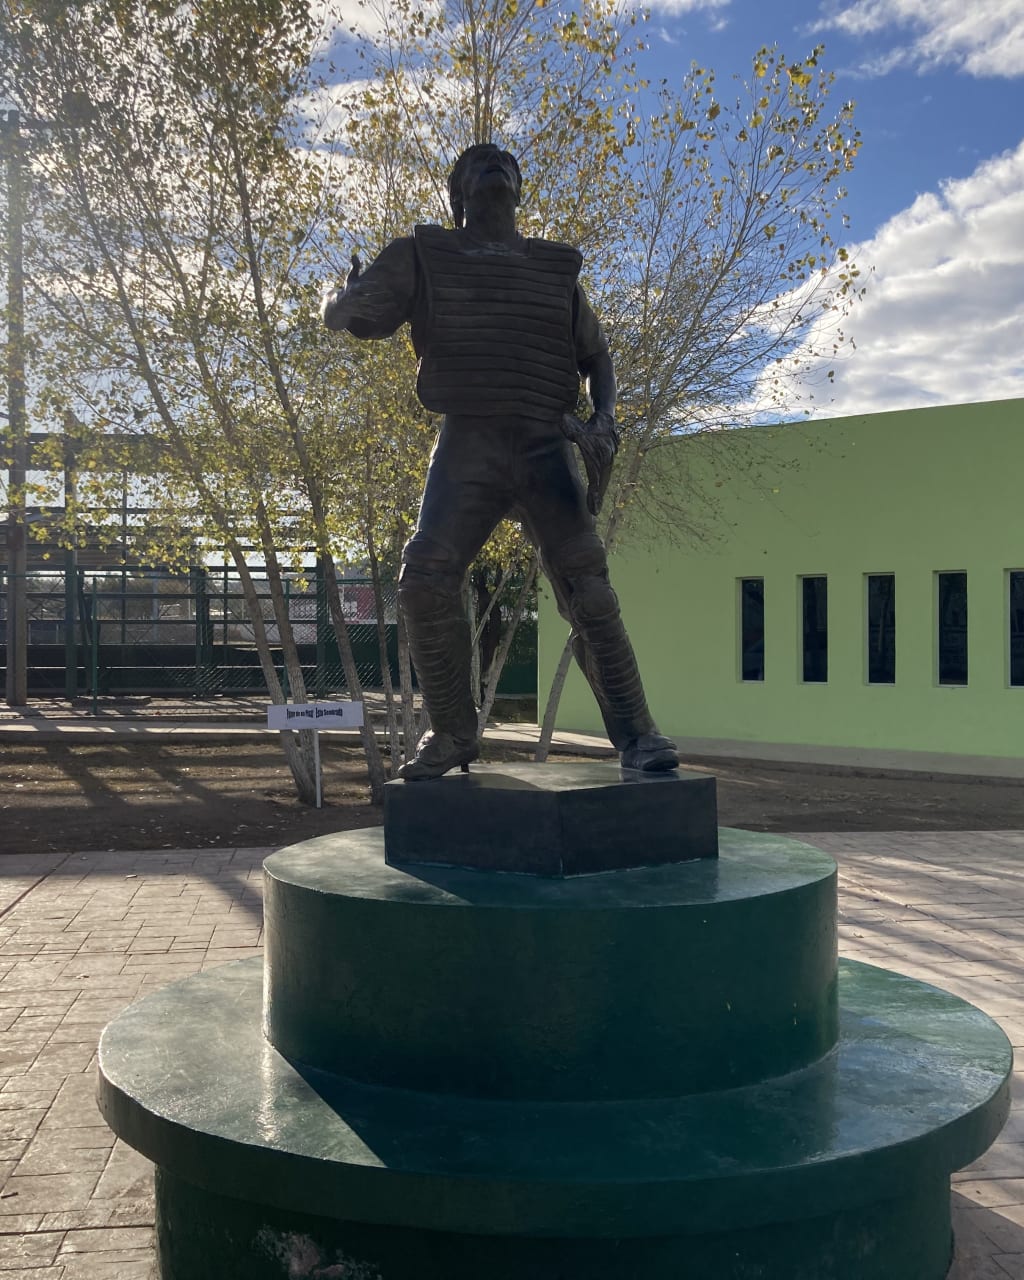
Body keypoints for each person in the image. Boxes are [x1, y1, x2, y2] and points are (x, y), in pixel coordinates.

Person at [322, 143, 678, 779]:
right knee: (425, 578)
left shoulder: (552, 272)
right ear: (457, 195)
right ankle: (453, 734)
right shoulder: (422, 256)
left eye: (504, 163)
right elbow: (362, 314)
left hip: (546, 443)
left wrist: (604, 419)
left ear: (519, 187)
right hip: (468, 443)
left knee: (589, 593)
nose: (493, 168)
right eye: (476, 165)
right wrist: (337, 302)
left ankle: (640, 737)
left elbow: (596, 358)